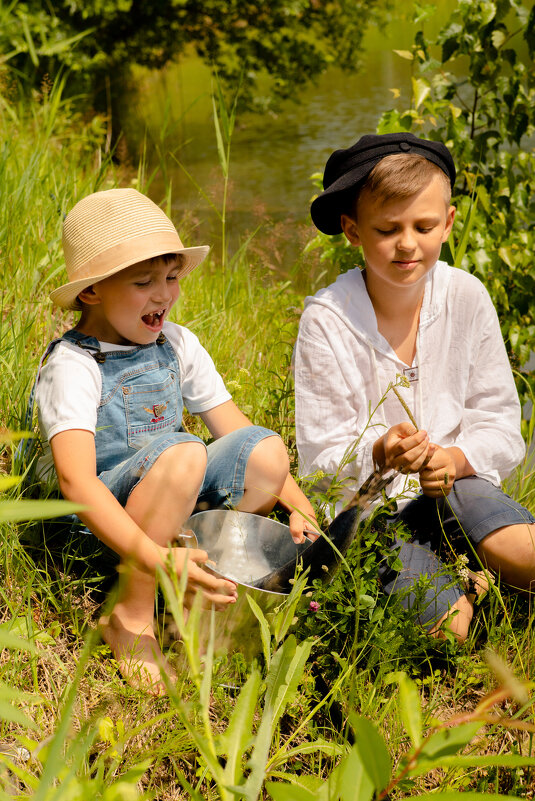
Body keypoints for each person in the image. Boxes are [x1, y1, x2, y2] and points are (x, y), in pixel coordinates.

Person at [34, 187, 318, 694]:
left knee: (266, 451)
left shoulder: (177, 343)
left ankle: (199, 579)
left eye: (171, 278)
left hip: (171, 493)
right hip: (100, 525)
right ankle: (131, 611)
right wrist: (152, 555)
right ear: (91, 292)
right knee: (185, 450)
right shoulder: (74, 365)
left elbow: (235, 429)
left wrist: (297, 504)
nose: (163, 295)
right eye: (143, 282)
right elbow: (77, 482)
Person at [294, 132, 535, 641]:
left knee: (527, 554)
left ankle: (481, 559)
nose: (408, 243)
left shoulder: (466, 296)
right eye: (387, 229)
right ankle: (464, 589)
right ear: (352, 231)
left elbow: (501, 424)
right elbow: (319, 463)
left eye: (424, 226)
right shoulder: (326, 320)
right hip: (376, 510)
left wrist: (456, 458)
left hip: (461, 488)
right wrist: (380, 454)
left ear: (447, 223)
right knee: (448, 632)